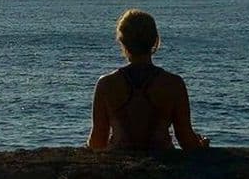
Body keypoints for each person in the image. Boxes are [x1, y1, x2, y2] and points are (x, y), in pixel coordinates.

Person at [87, 9, 209, 151]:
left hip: (119, 159)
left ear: (122, 42)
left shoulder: (107, 84)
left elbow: (97, 142)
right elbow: (185, 139)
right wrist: (202, 145)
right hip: (163, 160)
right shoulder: (173, 84)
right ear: (155, 41)